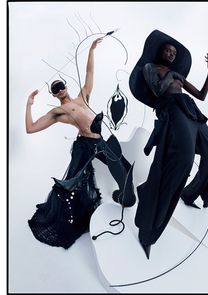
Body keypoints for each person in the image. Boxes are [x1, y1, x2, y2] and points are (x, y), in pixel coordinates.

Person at [26, 38, 136, 249]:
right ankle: (77, 213)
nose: (59, 90)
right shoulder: (59, 112)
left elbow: (90, 74)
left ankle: (125, 196)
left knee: (125, 167)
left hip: (101, 140)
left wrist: (92, 49)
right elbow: (30, 128)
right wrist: (29, 104)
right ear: (53, 94)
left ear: (66, 86)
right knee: (76, 182)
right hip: (86, 144)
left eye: (60, 86)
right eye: (55, 89)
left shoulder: (82, 97)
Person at [129, 30, 208, 259]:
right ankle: (149, 231)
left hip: (191, 109)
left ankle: (190, 194)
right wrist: (172, 75)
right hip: (172, 109)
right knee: (182, 163)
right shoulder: (151, 68)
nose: (171, 54)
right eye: (168, 50)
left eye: (174, 52)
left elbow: (201, 95)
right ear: (160, 52)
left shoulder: (175, 73)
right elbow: (159, 90)